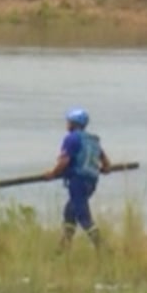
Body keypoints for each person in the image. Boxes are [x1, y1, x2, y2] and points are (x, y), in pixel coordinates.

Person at [44, 107, 111, 252]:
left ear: (73, 123)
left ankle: (103, 247)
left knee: (83, 216)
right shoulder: (93, 140)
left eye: (68, 121)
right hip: (91, 182)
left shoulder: (72, 138)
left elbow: (64, 162)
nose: (66, 124)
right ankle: (63, 247)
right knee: (70, 211)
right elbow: (106, 164)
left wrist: (53, 173)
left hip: (78, 181)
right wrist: (104, 169)